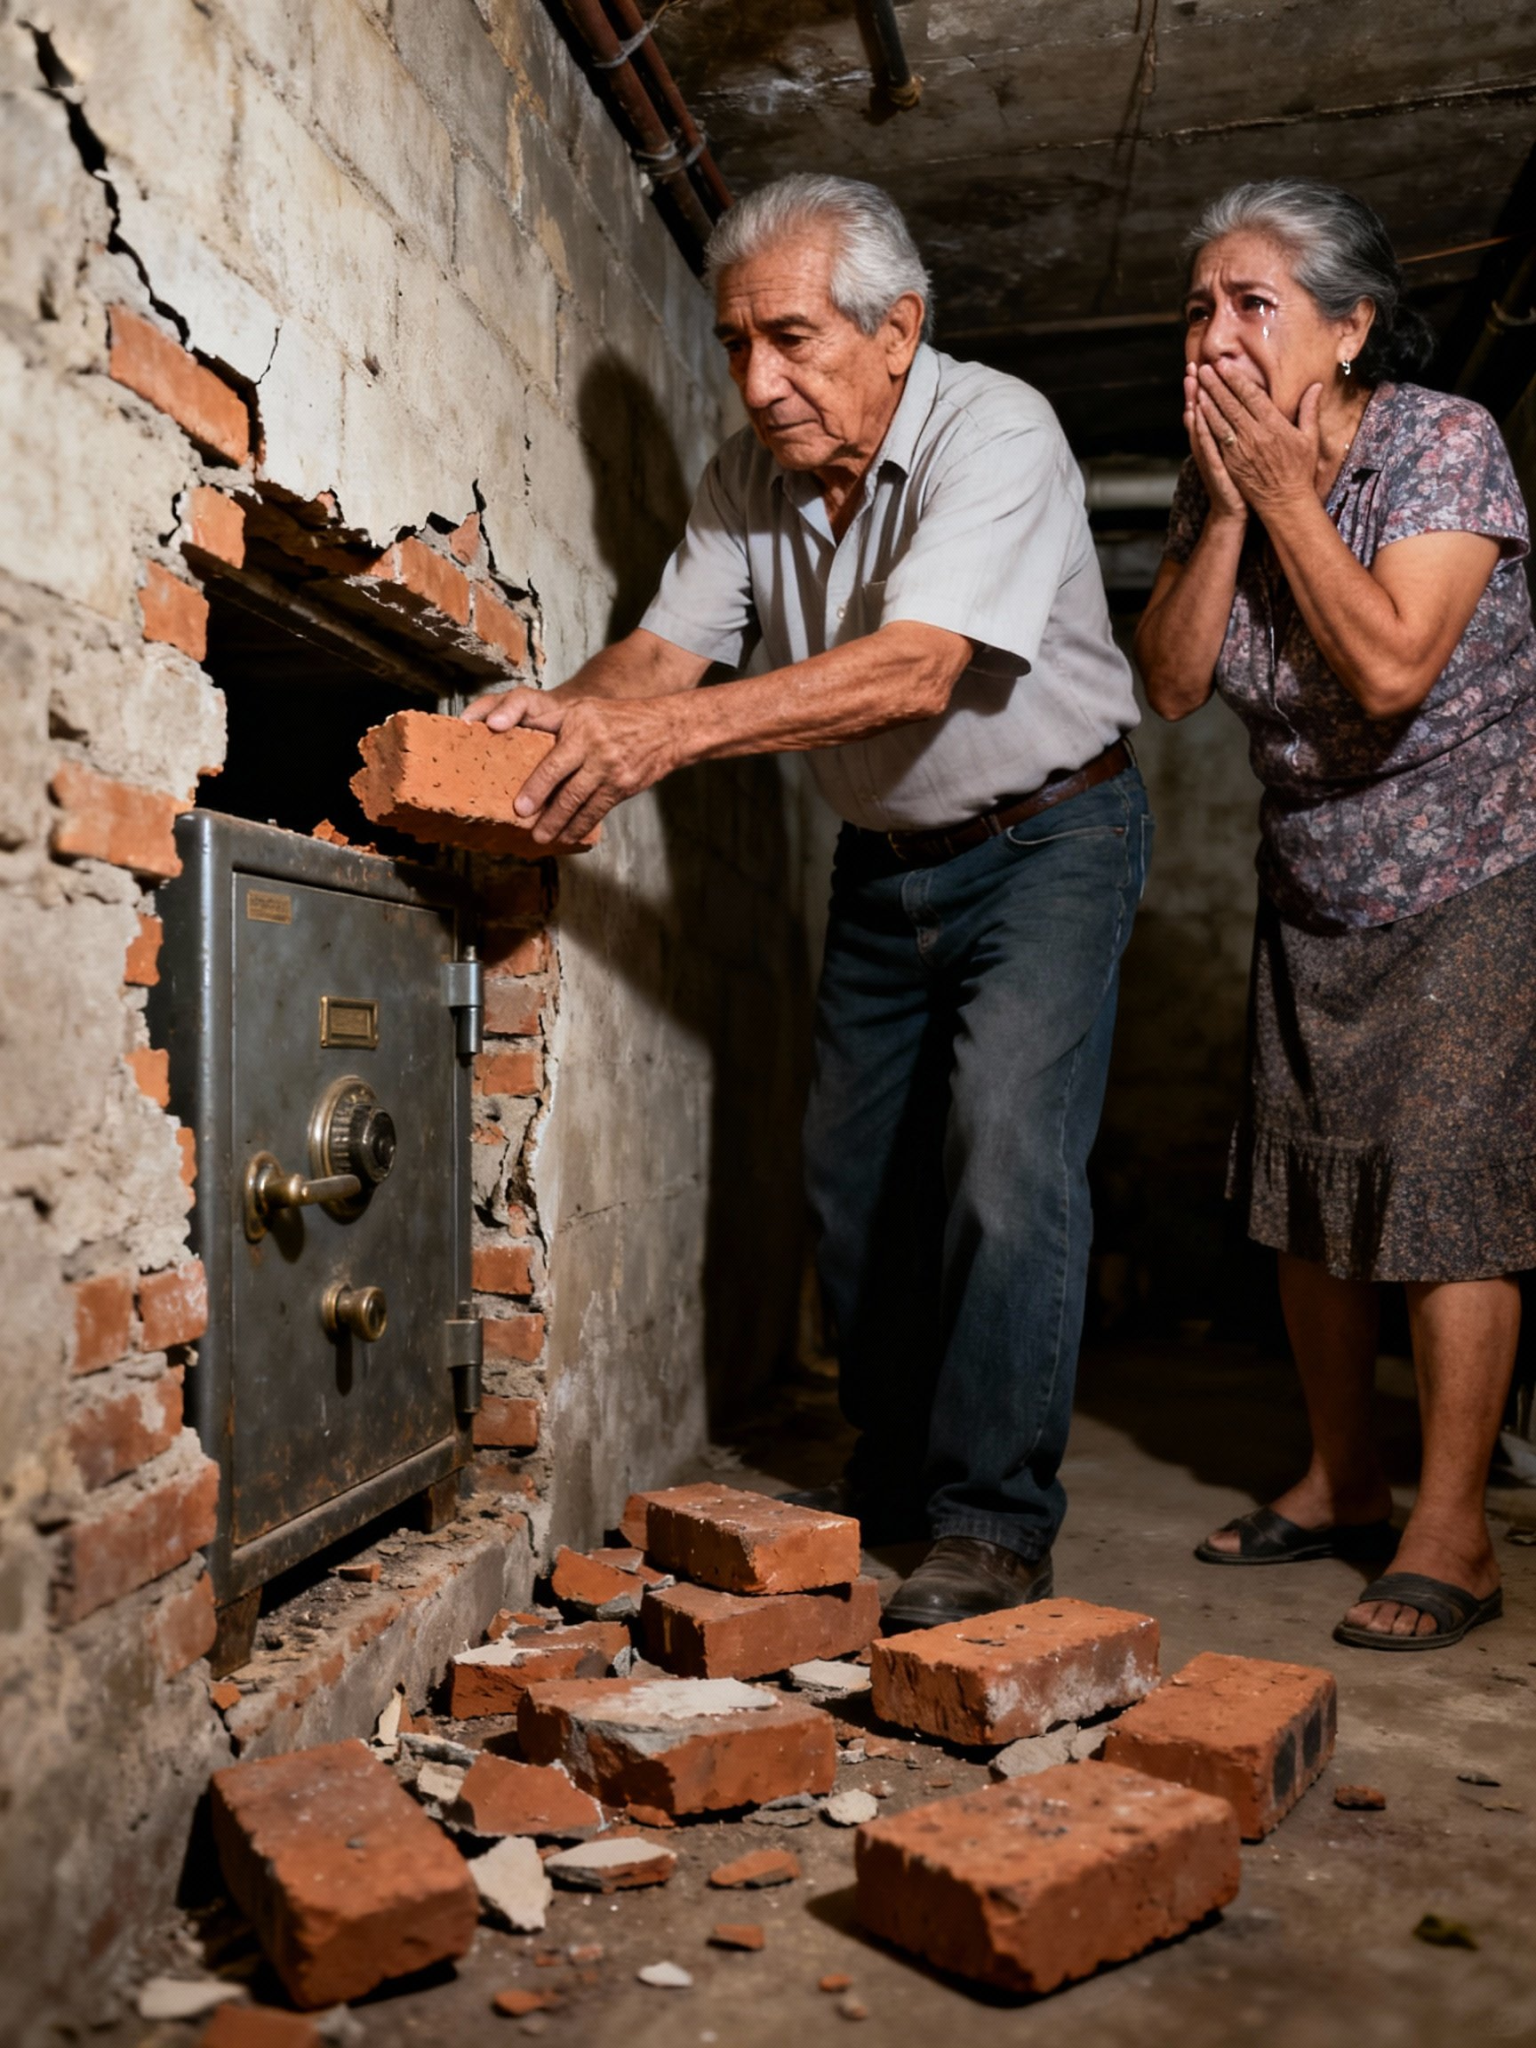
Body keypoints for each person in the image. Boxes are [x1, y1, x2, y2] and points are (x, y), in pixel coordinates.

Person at [464, 173, 1147, 1629]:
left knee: (1006, 1161)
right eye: (733, 346)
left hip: (1051, 843)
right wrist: (542, 725)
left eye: (790, 339)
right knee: (854, 1188)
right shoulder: (748, 481)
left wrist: (656, 744)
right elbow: (658, 664)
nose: (759, 383)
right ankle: (897, 1470)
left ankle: (991, 1523)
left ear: (897, 330)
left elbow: (914, 668)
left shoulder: (999, 430)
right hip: (885, 866)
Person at [1136, 178, 1536, 1651]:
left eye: (1255, 305)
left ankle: (1453, 1530)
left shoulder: (1444, 443)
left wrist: (1291, 493)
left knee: (1442, 1192)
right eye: (1200, 309)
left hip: (1477, 861)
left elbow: (1387, 670)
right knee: (1306, 1191)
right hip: (1315, 873)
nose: (1217, 337)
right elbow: (1174, 684)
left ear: (1350, 329)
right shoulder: (1213, 475)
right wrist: (1233, 505)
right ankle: (1343, 1479)